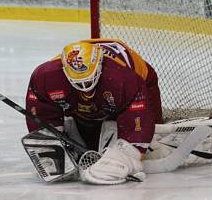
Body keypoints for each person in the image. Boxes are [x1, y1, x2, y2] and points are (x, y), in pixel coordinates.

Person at [24, 38, 162, 184]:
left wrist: (126, 154)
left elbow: (137, 119)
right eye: (78, 82)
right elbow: (41, 111)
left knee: (152, 139)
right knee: (87, 128)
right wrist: (50, 142)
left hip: (142, 81)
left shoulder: (124, 79)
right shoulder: (45, 77)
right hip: (89, 98)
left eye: (88, 81)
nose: (85, 87)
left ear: (99, 66)